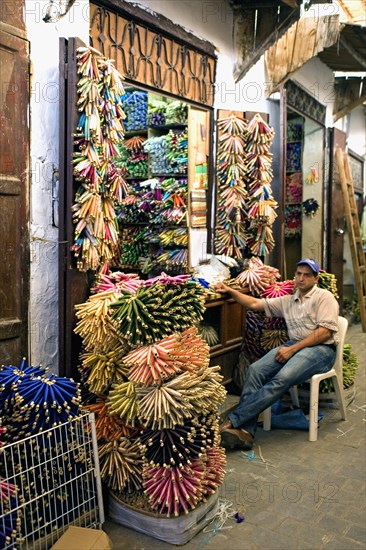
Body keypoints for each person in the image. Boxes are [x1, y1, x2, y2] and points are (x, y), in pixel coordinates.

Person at [215, 258, 339, 450]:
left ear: (315, 279)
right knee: (255, 370)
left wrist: (292, 349)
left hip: (321, 350)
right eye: (298, 273)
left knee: (282, 378)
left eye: (307, 275)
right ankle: (246, 433)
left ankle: (234, 420)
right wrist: (231, 291)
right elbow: (256, 304)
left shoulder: (324, 297)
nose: (301, 278)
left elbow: (325, 332)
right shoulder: (288, 301)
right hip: (294, 345)